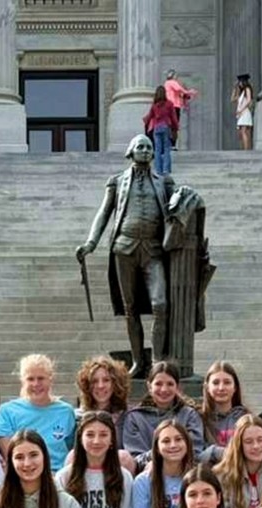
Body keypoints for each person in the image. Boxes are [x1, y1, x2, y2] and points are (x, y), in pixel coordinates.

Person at [76, 135, 176, 377]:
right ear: (130, 152)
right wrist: (91, 243)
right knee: (130, 308)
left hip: (153, 249)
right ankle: (138, 361)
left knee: (160, 304)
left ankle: (157, 361)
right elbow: (104, 213)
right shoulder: (117, 181)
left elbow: (177, 210)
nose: (145, 150)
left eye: (149, 147)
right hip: (124, 248)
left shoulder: (164, 182)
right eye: (140, 147)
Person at [0, 354, 77, 466]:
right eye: (30, 379)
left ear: (50, 379)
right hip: (25, 471)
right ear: (23, 381)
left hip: (58, 473)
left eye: (41, 378)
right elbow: (11, 457)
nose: (36, 384)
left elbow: (70, 450)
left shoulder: (66, 412)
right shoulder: (7, 412)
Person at [121, 361, 205, 469]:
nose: (164, 389)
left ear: (177, 387)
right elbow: (135, 458)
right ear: (149, 386)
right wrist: (162, 453)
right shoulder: (134, 418)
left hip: (183, 469)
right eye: (158, 384)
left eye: (170, 384)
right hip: (147, 471)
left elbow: (195, 451)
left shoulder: (189, 415)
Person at [72, 355, 136, 473]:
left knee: (124, 457)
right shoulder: (77, 417)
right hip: (85, 471)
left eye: (106, 380)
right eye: (94, 381)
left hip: (117, 471)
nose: (100, 386)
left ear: (116, 384)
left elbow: (134, 455)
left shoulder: (129, 415)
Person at [200, 360, 247, 465]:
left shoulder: (245, 418)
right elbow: (196, 455)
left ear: (235, 387)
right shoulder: (198, 418)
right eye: (216, 383)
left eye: (227, 382)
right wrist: (216, 452)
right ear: (207, 387)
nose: (221, 388)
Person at [143, 85, 177, 176]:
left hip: (157, 128)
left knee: (157, 150)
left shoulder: (154, 105)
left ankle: (158, 170)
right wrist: (176, 128)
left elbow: (149, 117)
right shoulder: (169, 104)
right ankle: (166, 169)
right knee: (166, 149)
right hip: (166, 127)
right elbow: (173, 118)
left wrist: (145, 122)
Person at [162, 68, 199, 148]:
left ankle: (170, 143)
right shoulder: (171, 82)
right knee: (174, 126)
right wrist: (190, 92)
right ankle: (172, 143)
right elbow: (179, 89)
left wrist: (186, 96)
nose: (176, 77)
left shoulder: (167, 84)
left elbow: (179, 93)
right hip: (173, 106)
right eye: (175, 75)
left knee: (172, 125)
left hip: (172, 106)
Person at [231, 73, 254, 150]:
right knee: (241, 133)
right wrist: (235, 89)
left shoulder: (247, 89)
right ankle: (246, 148)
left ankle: (246, 150)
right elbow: (232, 99)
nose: (239, 84)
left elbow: (249, 100)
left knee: (244, 131)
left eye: (240, 82)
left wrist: (241, 110)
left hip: (244, 112)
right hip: (241, 113)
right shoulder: (241, 93)